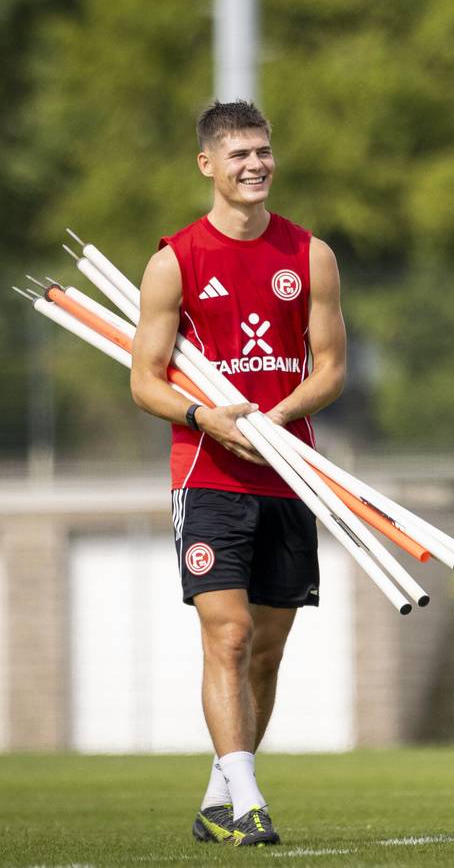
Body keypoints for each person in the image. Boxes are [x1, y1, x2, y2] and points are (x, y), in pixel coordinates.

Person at [131, 99, 346, 846]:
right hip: (208, 473)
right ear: (208, 165)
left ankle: (220, 793)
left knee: (267, 646)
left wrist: (277, 418)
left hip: (289, 471)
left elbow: (331, 368)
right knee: (226, 634)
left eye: (262, 151)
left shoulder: (309, 253)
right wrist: (207, 418)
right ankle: (249, 802)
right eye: (238, 155)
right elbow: (147, 380)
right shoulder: (174, 260)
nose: (254, 165)